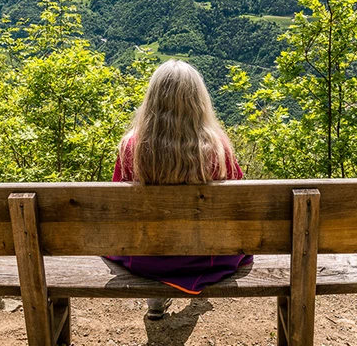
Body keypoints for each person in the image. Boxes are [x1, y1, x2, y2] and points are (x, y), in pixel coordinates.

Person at [105, 59, 253, 320]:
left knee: (150, 240)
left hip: (146, 257)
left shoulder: (131, 147)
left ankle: (157, 296)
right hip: (209, 257)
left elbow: (120, 211)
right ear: (199, 101)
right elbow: (237, 206)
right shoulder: (218, 148)